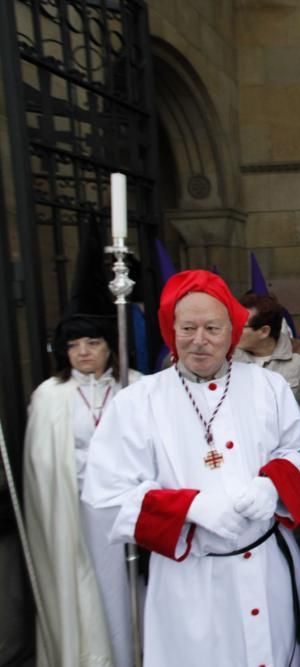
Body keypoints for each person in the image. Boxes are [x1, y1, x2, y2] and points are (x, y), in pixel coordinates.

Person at [82, 270, 300, 667]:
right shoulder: (137, 402)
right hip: (189, 581)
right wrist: (189, 509)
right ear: (171, 331)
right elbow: (104, 496)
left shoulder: (267, 388)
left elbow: (299, 451)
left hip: (267, 569)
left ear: (232, 330)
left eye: (212, 327)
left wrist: (272, 487)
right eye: (187, 327)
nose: (200, 340)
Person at [23, 219, 142, 667]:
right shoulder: (50, 398)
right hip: (74, 514)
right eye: (75, 345)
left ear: (110, 345)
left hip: (128, 511)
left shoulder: (136, 387)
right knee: (84, 592)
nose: (84, 352)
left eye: (93, 342)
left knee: (129, 594)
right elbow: (43, 468)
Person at [233, 293, 300, 424]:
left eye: (241, 326)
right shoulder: (230, 356)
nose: (233, 330)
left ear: (264, 331)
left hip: (295, 441)